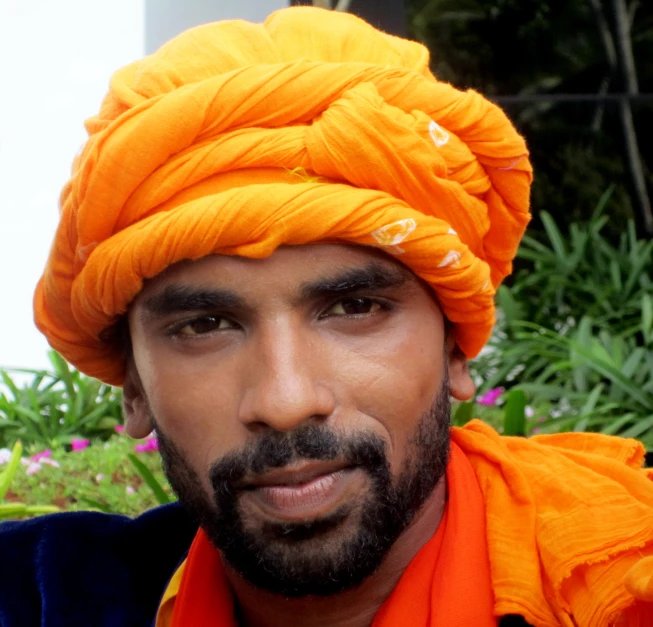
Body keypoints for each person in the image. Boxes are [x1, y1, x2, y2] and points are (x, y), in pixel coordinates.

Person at [1, 6, 652, 627]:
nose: (285, 401)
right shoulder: (47, 592)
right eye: (204, 325)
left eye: (353, 307)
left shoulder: (619, 582)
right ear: (133, 384)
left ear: (455, 345)